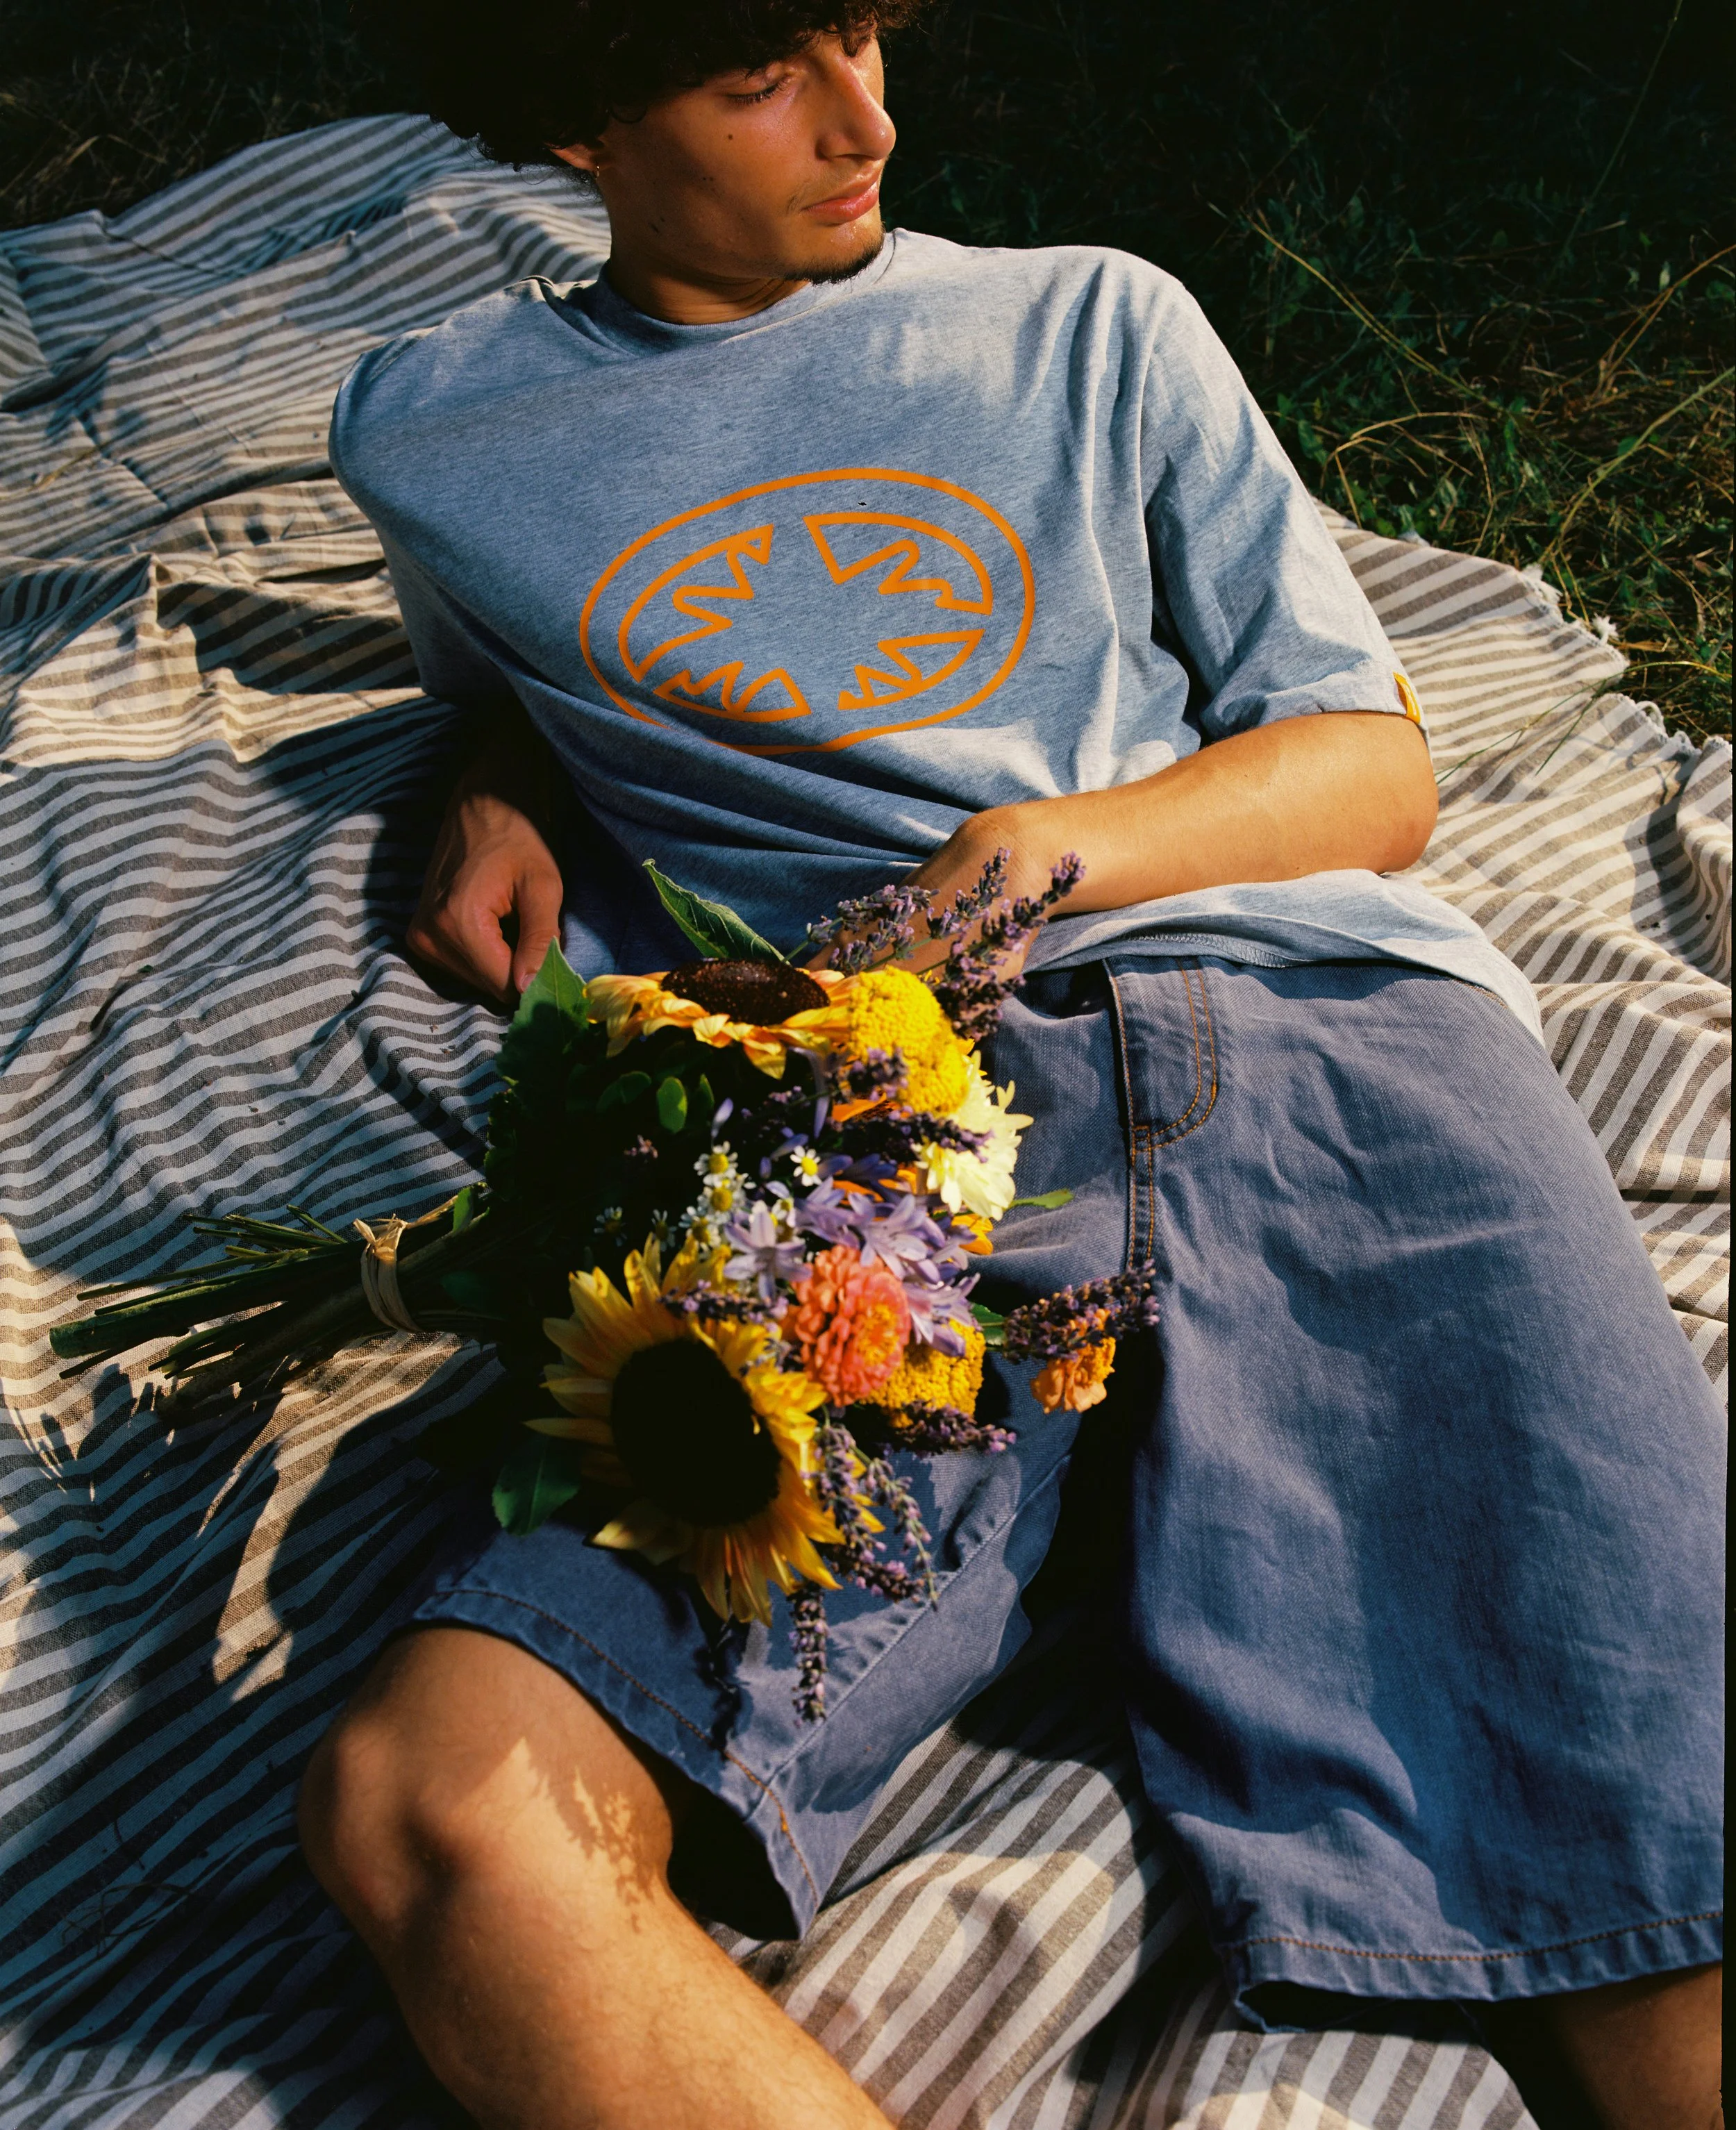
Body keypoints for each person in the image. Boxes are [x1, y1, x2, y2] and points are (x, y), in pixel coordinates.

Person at [296, 7, 1725, 2126]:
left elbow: (1370, 768)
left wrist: (1040, 849)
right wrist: (503, 779)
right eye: (758, 78)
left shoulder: (1091, 326)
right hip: (868, 1156)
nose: (865, 119)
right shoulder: (432, 428)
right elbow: (536, 645)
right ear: (575, 119)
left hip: (1326, 1043)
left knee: (1654, 1905)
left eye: (862, 27)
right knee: (442, 1804)